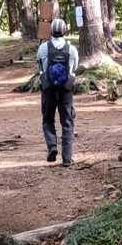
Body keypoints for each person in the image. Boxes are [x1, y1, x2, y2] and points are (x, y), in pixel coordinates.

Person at [36, 18, 76, 166]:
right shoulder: (71, 49)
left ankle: (52, 147)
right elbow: (74, 68)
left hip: (48, 89)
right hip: (66, 89)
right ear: (64, 31)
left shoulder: (43, 48)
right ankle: (67, 158)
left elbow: (40, 66)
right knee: (67, 122)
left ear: (51, 31)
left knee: (48, 119)